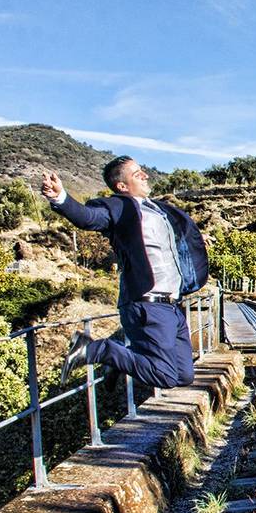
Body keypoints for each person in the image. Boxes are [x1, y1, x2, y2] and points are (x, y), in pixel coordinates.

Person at [41, 156, 209, 389]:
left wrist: (197, 244)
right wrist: (60, 197)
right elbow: (88, 217)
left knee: (183, 375)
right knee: (166, 377)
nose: (145, 176)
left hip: (172, 306)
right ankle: (98, 349)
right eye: (137, 173)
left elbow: (179, 240)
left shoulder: (159, 211)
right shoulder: (118, 207)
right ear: (122, 186)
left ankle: (121, 358)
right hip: (147, 305)